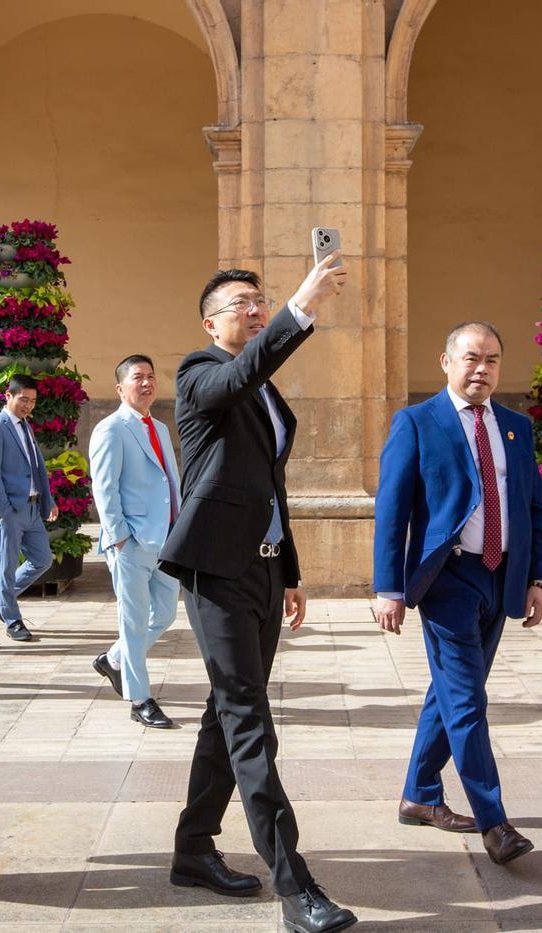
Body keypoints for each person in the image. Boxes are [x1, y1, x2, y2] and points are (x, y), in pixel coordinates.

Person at [158, 254, 357, 933]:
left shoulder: (266, 392)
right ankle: (295, 886)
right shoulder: (199, 372)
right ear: (209, 319)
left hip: (263, 571)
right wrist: (301, 304)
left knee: (227, 707)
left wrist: (290, 569)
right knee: (250, 719)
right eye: (240, 300)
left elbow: (268, 485)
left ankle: (192, 848)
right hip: (215, 570)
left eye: (259, 298)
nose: (253, 306)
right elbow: (239, 375)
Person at [373, 321, 542, 866]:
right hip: (447, 579)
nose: (482, 369)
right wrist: (388, 588)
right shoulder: (416, 423)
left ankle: (419, 795)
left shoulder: (517, 428)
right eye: (471, 358)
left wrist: (537, 576)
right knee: (468, 700)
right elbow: (392, 511)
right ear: (446, 362)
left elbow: (532, 508)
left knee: (450, 693)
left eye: (492, 360)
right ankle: (495, 823)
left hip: (501, 577)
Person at [89, 354, 181, 728]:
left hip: (166, 539)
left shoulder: (158, 427)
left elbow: (170, 482)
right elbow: (104, 488)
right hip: (131, 542)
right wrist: (120, 537)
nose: (146, 383)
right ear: (120, 388)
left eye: (150, 377)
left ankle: (113, 659)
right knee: (133, 620)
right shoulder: (111, 429)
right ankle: (140, 699)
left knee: (166, 614)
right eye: (137, 377)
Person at [0, 373, 58, 642]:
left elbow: (38, 468)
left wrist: (49, 501)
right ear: (8, 396)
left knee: (43, 560)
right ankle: (13, 621)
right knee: (7, 565)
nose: (28, 405)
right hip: (8, 508)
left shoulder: (26, 426)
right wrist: (4, 509)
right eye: (23, 399)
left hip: (33, 508)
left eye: (33, 401)